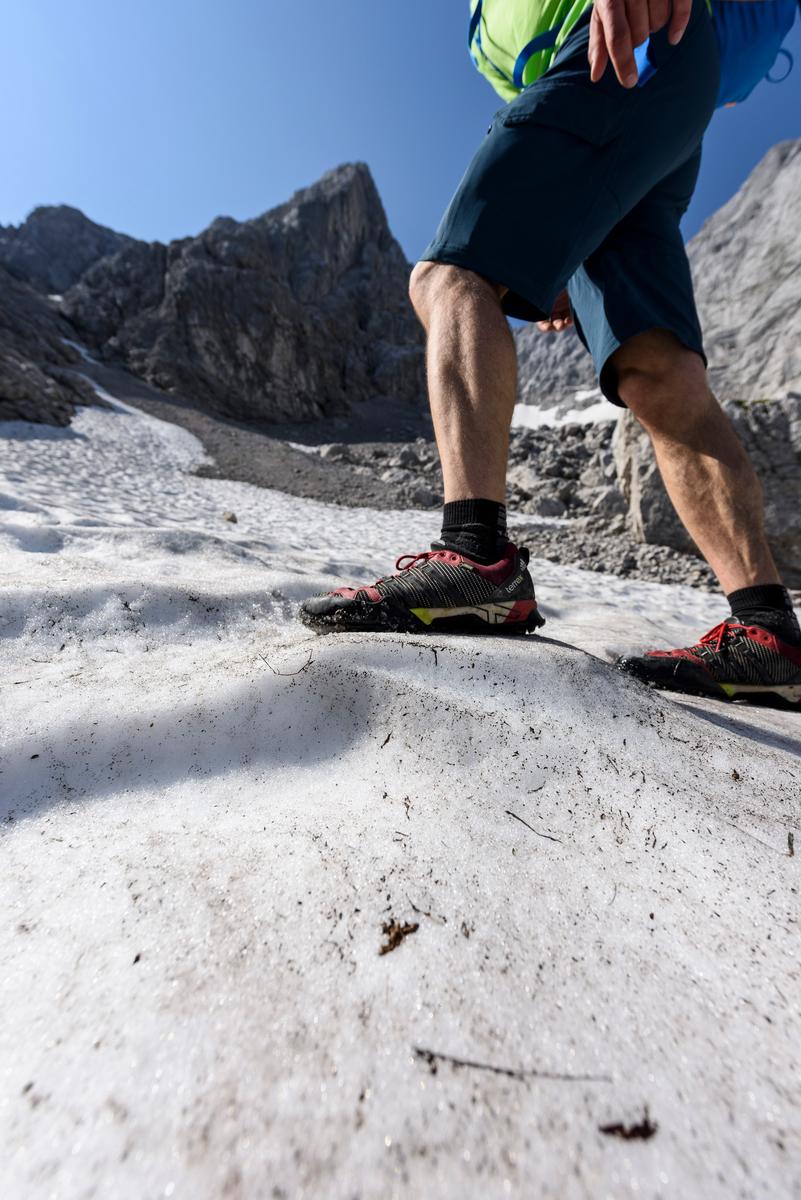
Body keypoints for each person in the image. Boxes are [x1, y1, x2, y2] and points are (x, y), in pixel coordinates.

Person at [300, 0, 801, 707]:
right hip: (656, 90)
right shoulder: (487, 33)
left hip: (622, 47)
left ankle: (476, 557)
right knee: (655, 370)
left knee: (452, 275)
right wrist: (557, 240)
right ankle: (767, 632)